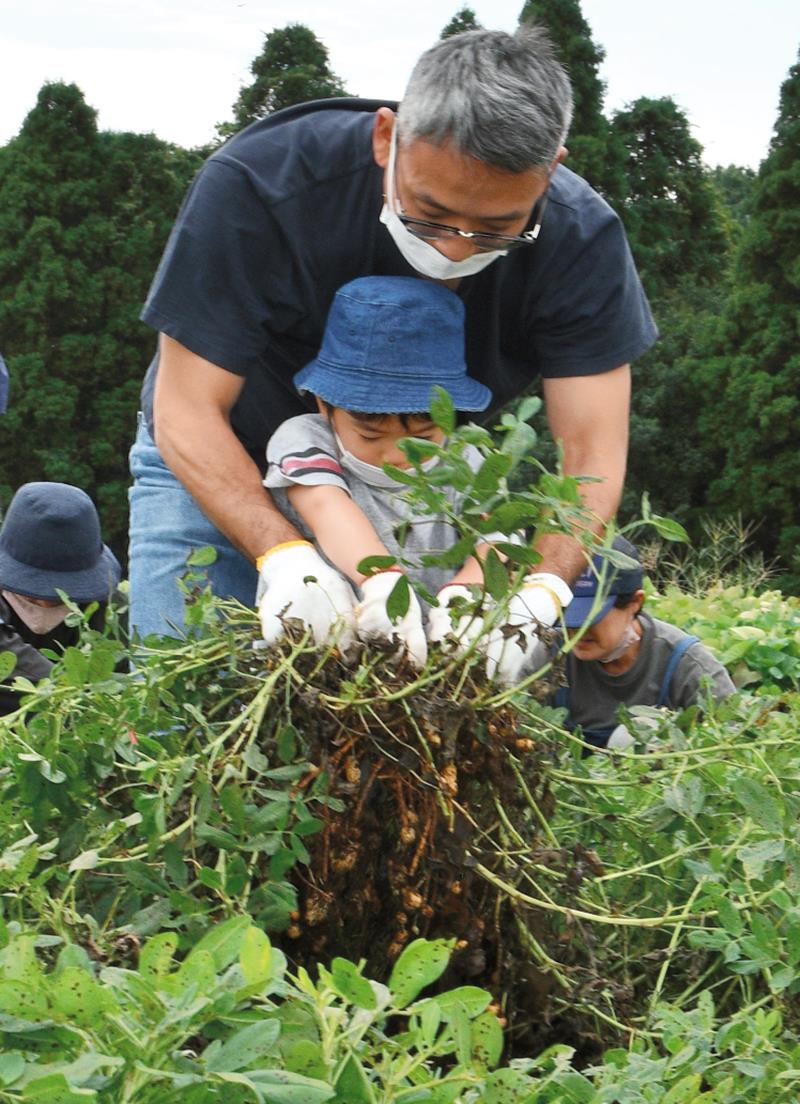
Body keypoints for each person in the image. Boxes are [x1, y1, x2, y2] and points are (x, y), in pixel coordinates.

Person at [129, 25, 657, 679]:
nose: (457, 250)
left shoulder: (582, 243)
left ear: (550, 172)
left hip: (416, 483)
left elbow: (591, 460)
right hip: (221, 453)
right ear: (387, 138)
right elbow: (187, 410)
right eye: (430, 214)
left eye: (498, 228)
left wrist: (538, 592)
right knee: (181, 693)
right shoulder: (263, 186)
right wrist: (285, 557)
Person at [260, 276, 496, 670]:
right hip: (315, 656)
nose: (396, 455)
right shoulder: (305, 439)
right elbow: (322, 503)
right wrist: (382, 581)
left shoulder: (467, 457)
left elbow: (497, 539)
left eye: (423, 435)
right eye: (370, 433)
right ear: (324, 403)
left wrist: (466, 595)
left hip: (430, 666)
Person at [554, 536, 736, 749]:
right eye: (568, 614)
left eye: (590, 617)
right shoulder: (550, 655)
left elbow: (730, 745)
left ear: (635, 603)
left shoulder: (688, 665)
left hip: (660, 780)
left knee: (635, 733)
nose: (576, 629)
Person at [0, 482, 122, 715]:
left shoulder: (110, 610)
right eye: (32, 594)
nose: (45, 604)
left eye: (60, 598)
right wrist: (74, 694)